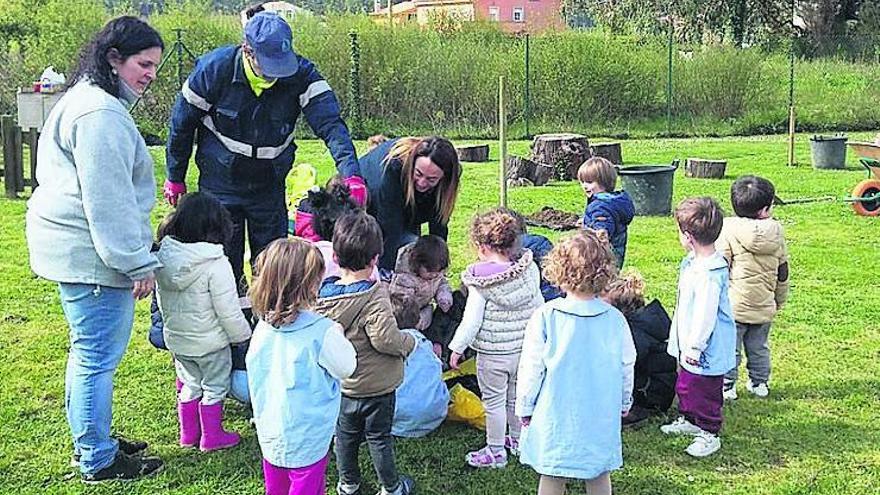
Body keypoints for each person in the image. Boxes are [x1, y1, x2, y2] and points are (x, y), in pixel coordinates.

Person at [25, 16, 165, 482]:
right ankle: (96, 457)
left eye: (154, 66)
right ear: (114, 59)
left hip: (78, 248)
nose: (149, 74)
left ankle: (93, 437)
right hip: (92, 255)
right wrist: (135, 262)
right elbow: (109, 201)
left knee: (87, 353)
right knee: (95, 358)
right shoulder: (100, 115)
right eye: (142, 64)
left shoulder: (90, 100)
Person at [164, 10, 364, 293]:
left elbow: (332, 125)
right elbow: (181, 125)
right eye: (270, 64)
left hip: (268, 186)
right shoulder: (214, 70)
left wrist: (352, 174)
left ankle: (267, 328)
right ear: (248, 51)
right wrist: (175, 175)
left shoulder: (303, 75)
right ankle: (233, 331)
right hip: (220, 185)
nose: (276, 73)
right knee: (221, 268)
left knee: (272, 268)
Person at [516, 230, 636, 495]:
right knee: (598, 471)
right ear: (604, 272)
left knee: (552, 472)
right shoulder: (615, 320)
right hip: (600, 412)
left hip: (555, 413)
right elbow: (627, 365)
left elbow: (531, 368)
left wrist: (525, 405)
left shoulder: (546, 316)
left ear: (558, 270)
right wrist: (625, 401)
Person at [313, 212, 417, 495]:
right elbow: (385, 338)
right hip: (377, 387)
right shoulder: (374, 294)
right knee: (379, 437)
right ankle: (391, 487)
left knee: (344, 437)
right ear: (375, 259)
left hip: (344, 386)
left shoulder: (322, 296)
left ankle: (348, 484)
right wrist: (408, 343)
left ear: (334, 257)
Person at [247, 238, 356, 495]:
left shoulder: (263, 327)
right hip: (308, 435)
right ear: (311, 285)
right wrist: (338, 333)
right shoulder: (322, 331)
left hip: (271, 429)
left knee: (277, 487)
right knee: (307, 484)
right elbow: (347, 367)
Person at [154, 192, 253, 452]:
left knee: (190, 383)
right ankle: (212, 436)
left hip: (178, 340)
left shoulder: (164, 257)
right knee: (215, 386)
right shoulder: (216, 263)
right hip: (211, 344)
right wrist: (243, 336)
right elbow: (228, 311)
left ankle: (188, 435)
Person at [448, 208, 544, 468]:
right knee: (515, 397)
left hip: (493, 355)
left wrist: (457, 348)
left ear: (481, 245)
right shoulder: (529, 271)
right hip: (523, 351)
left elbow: (471, 321)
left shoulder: (481, 282)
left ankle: (495, 450)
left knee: (493, 403)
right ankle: (518, 441)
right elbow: (539, 306)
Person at [661, 197, 736, 458]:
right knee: (686, 383)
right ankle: (690, 419)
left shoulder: (709, 274)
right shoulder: (694, 263)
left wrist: (695, 345)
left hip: (705, 345)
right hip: (690, 340)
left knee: (704, 388)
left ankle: (709, 430)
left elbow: (706, 313)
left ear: (688, 236)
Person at [717, 176, 790, 400]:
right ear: (766, 208)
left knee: (730, 347)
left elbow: (721, 266)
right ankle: (759, 383)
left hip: (734, 305)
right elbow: (783, 272)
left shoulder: (728, 230)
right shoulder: (776, 233)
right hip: (764, 305)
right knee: (759, 348)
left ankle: (728, 386)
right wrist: (779, 300)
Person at [357, 136, 462, 270]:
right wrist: (387, 274)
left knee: (419, 250)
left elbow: (439, 224)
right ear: (412, 164)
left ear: (443, 178)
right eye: (418, 174)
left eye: (431, 179)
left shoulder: (448, 181)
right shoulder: (394, 167)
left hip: (405, 199)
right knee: (407, 244)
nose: (422, 182)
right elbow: (390, 229)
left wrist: (438, 264)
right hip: (368, 198)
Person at [603, 271, 678, 426]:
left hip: (651, 394)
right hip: (660, 385)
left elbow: (624, 364)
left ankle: (639, 412)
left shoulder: (636, 332)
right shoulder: (646, 321)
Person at [389, 293, 450, 438]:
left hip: (401, 420)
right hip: (437, 414)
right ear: (418, 321)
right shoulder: (425, 343)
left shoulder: (391, 347)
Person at [578, 157, 635, 268]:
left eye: (589, 182)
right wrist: (585, 221)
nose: (585, 186)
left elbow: (601, 231)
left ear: (604, 182)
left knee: (602, 282)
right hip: (617, 253)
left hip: (602, 257)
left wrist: (588, 230)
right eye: (582, 182)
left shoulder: (600, 206)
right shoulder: (612, 201)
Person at [388, 235, 454, 331]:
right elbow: (401, 306)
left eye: (439, 271)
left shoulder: (435, 273)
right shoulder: (405, 279)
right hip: (406, 318)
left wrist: (444, 295)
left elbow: (441, 282)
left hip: (422, 308)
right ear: (417, 263)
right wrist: (416, 320)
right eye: (430, 271)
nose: (434, 275)